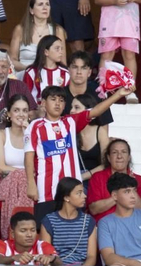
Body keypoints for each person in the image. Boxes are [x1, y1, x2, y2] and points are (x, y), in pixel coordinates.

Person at [25, 84, 128, 214]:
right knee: (46, 231)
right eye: (53, 99)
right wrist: (31, 184)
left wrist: (118, 94)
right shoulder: (35, 126)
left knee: (73, 231)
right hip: (45, 190)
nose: (57, 104)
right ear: (44, 103)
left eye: (61, 100)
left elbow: (95, 111)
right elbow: (28, 157)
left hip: (73, 191)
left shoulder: (70, 122)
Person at [40, 177, 105, 266]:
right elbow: (46, 253)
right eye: (79, 193)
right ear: (66, 197)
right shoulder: (49, 220)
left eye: (83, 192)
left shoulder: (88, 220)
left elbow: (91, 256)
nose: (84, 196)